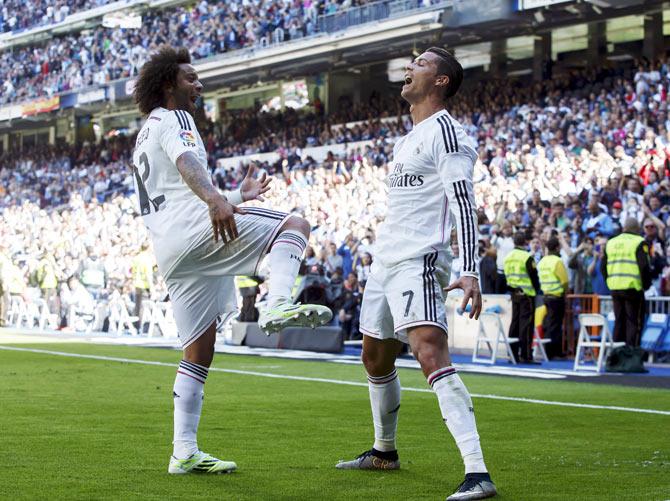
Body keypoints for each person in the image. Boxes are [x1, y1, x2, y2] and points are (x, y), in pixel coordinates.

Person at [131, 46, 332, 475]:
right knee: (294, 225)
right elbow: (187, 165)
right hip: (196, 232)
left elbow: (173, 188)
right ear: (169, 85)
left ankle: (183, 452)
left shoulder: (144, 134)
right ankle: (276, 302)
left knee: (199, 349)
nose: (198, 85)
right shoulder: (176, 118)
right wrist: (217, 199)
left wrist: (235, 197)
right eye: (190, 79)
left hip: (172, 252)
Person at [335, 48, 496, 500]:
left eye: (421, 64)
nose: (409, 69)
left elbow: (463, 201)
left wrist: (469, 268)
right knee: (375, 357)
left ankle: (477, 472)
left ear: (442, 81)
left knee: (429, 352)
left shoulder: (447, 133)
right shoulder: (408, 138)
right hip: (386, 261)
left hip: (420, 258)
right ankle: (384, 452)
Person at [601, 218, 652, 347]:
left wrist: (610, 281)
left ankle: (617, 355)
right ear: (637, 229)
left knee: (619, 321)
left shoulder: (611, 242)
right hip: (633, 288)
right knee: (634, 322)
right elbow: (644, 267)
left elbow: (603, 266)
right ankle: (631, 356)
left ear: (624, 228)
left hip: (615, 288)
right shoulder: (639, 242)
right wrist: (646, 285)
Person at [504, 232, 541, 364]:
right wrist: (536, 290)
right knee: (526, 324)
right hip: (527, 294)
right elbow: (534, 277)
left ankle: (512, 354)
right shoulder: (527, 257)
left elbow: (505, 277)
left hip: (514, 293)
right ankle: (526, 355)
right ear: (525, 241)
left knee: (515, 323)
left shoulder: (508, 257)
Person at [537, 237, 568, 359]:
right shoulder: (557, 261)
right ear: (557, 248)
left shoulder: (543, 261)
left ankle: (549, 351)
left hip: (546, 295)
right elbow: (564, 281)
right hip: (557, 296)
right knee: (555, 325)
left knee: (549, 323)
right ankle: (553, 352)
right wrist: (565, 292)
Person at [131, 242, 155, 323]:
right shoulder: (147, 259)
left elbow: (133, 272)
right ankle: (143, 324)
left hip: (137, 284)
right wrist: (152, 288)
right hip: (145, 285)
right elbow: (148, 274)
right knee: (143, 306)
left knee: (137, 305)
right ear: (148, 248)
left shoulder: (136, 258)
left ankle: (136, 324)